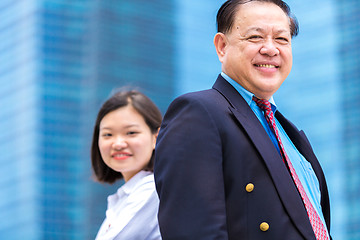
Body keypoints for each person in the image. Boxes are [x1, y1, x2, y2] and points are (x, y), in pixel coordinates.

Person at [154, 1, 332, 239]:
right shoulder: (198, 113)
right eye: (255, 37)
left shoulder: (292, 136)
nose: (270, 49)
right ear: (222, 46)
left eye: (281, 39)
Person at [91, 90, 162, 240]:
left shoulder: (152, 189)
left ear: (156, 137)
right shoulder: (125, 197)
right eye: (108, 134)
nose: (118, 144)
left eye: (131, 133)